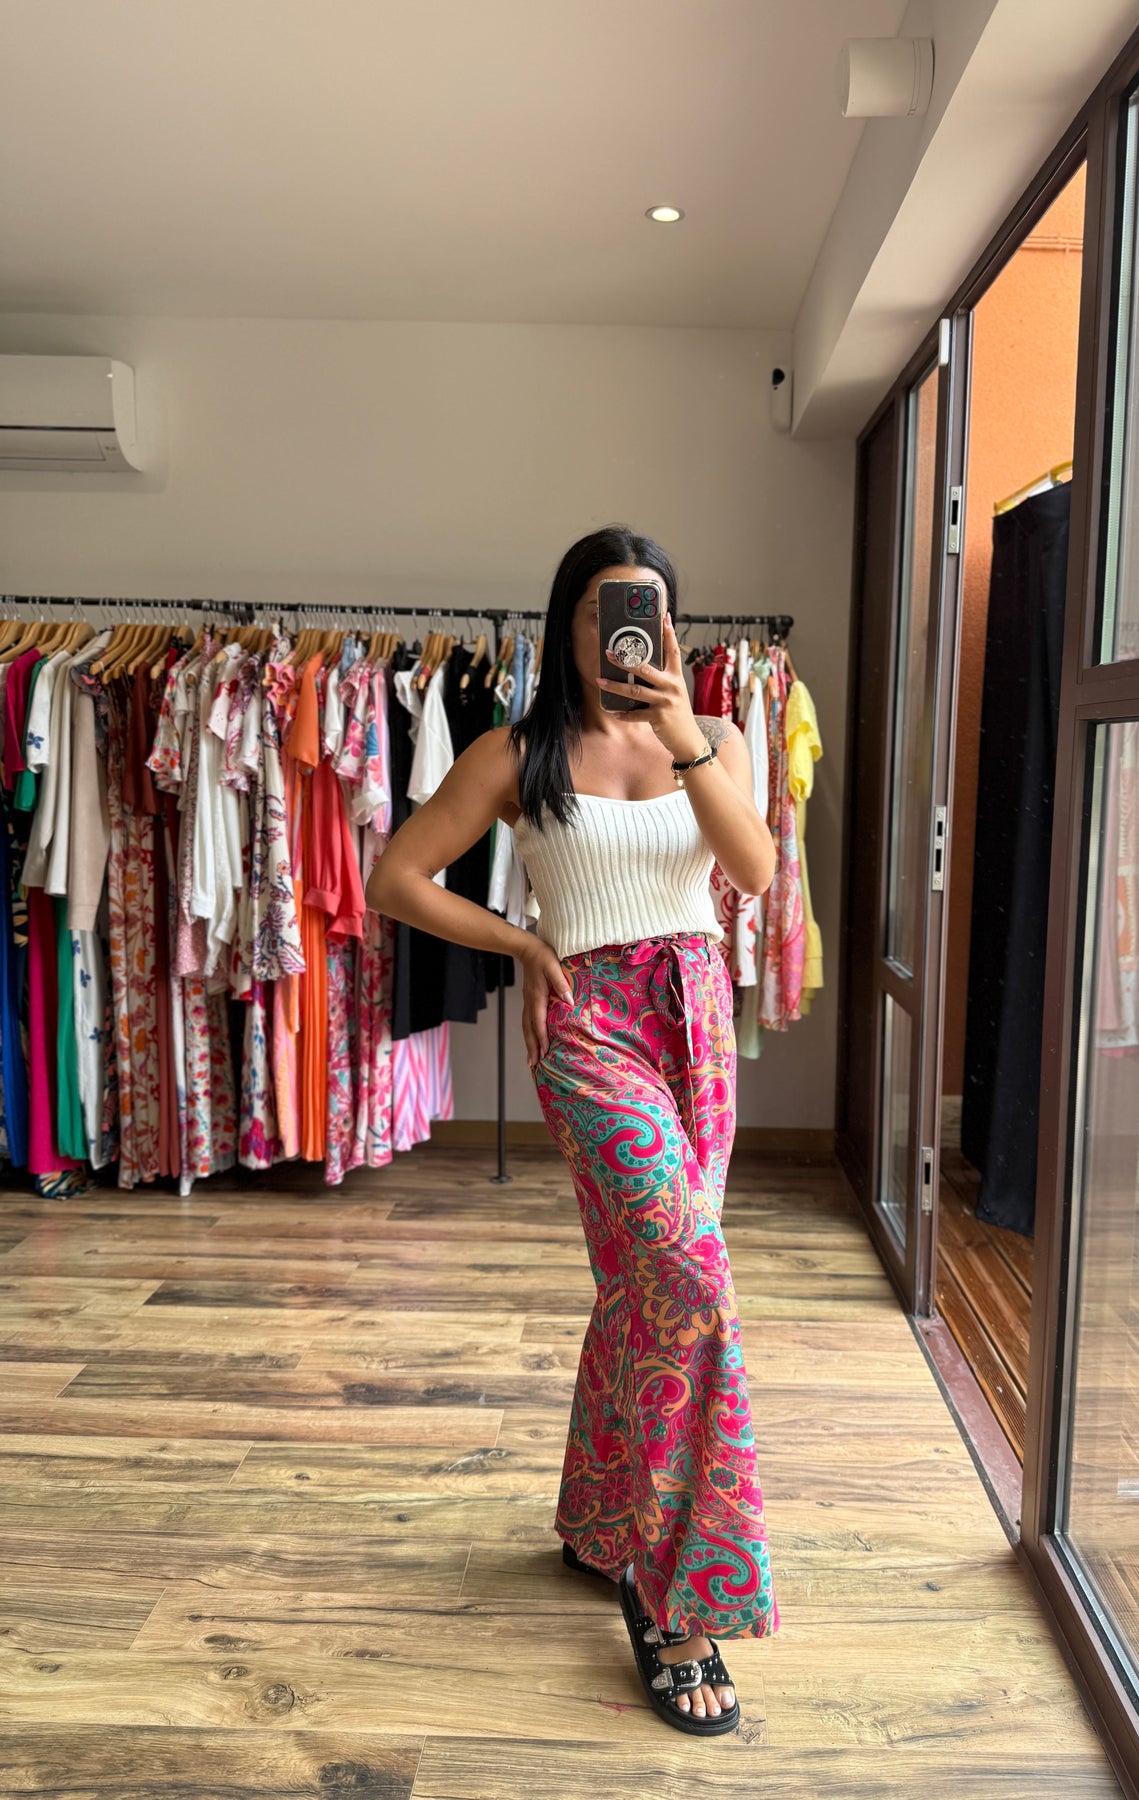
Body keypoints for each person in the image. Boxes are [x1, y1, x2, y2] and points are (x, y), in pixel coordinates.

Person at [366, 525, 780, 1737]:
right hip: (588, 1021)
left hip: (696, 1020)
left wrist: (688, 736)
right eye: (603, 611)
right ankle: (672, 1592)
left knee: (641, 1288)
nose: (623, 633)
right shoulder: (519, 750)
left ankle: (601, 1524)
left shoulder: (717, 738)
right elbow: (398, 877)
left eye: (644, 609)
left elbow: (754, 872)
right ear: (569, 625)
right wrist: (521, 944)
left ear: (670, 623)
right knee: (689, 1276)